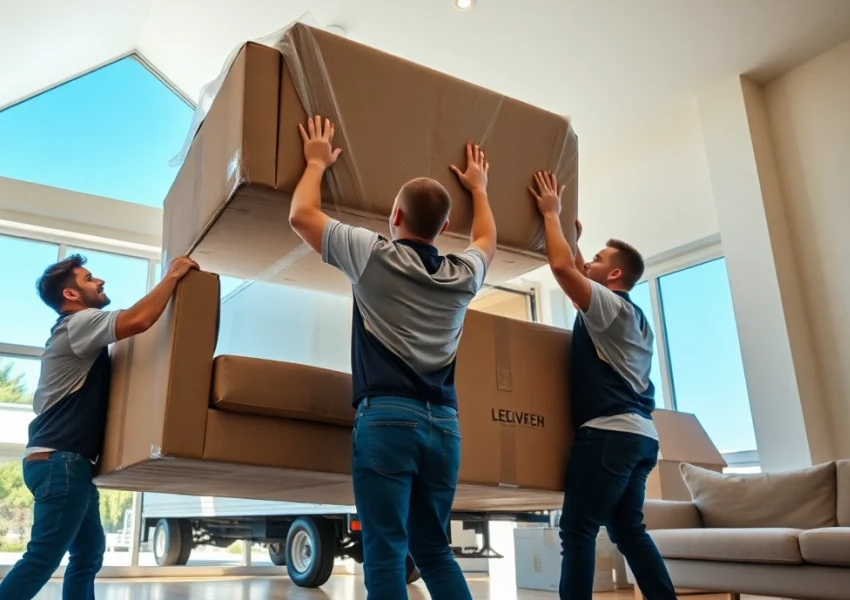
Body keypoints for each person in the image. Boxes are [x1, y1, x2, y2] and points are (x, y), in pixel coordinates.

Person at [287, 115, 497, 599]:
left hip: (387, 421)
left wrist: (317, 161)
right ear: (445, 228)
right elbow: (486, 240)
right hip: (445, 428)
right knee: (434, 551)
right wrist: (480, 188)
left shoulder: (373, 254)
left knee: (384, 552)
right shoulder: (463, 274)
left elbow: (301, 214)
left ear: (395, 217)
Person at [0, 253, 200, 600]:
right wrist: (173, 276)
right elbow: (137, 320)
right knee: (43, 557)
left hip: (66, 465)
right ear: (71, 295)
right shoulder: (79, 323)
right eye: (89, 278)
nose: (99, 281)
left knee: (87, 554)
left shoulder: (73, 333)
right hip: (62, 463)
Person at [528, 170, 677, 600]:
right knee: (629, 532)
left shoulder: (609, 308)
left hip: (609, 436)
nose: (585, 263)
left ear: (613, 276)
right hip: (641, 438)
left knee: (577, 530)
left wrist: (551, 214)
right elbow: (575, 269)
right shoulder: (632, 315)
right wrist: (571, 238)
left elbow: (561, 269)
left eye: (595, 259)